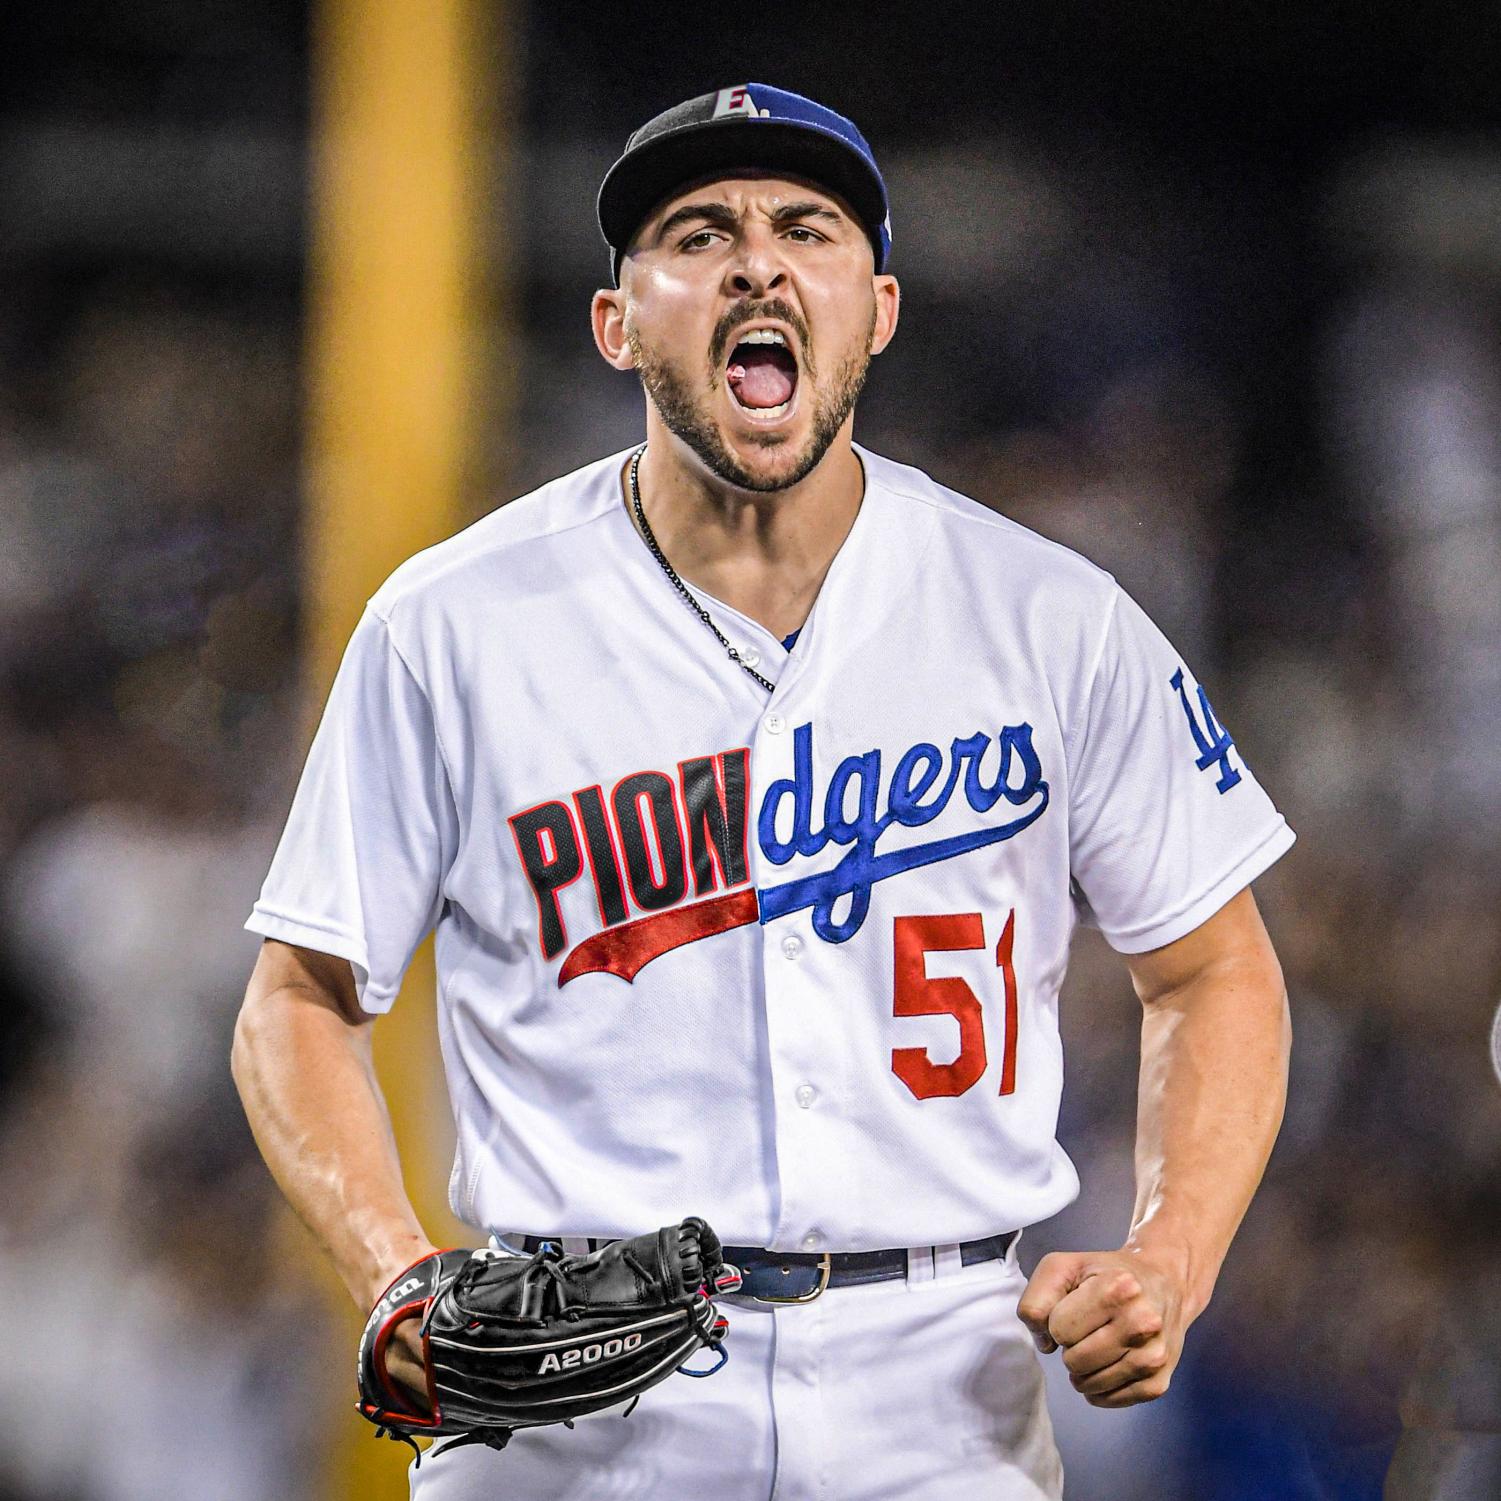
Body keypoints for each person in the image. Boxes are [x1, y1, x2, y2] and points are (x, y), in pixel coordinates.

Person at [232, 83, 1294, 1500]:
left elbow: (1216, 967)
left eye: (808, 228)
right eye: (696, 231)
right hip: (576, 1401)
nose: (757, 260)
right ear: (617, 324)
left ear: (879, 310)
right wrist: (396, 1270)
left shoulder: (1050, 617)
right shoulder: (453, 622)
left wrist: (1172, 1252)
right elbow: (294, 995)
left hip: (943, 1391)